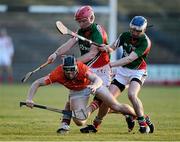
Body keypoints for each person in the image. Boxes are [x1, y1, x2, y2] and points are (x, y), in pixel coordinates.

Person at [81, 16, 155, 134]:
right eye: (132, 30)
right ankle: (96, 125)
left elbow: (129, 59)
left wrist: (110, 65)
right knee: (107, 99)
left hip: (137, 71)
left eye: (138, 31)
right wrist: (105, 48)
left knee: (132, 94)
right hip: (122, 72)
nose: (134, 33)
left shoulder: (146, 42)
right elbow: (112, 47)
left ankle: (142, 122)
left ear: (144, 30)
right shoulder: (124, 35)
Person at [25, 55, 137, 132]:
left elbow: (98, 79)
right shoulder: (58, 73)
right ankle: (96, 104)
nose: (69, 74)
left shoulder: (81, 67)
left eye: (72, 70)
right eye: (66, 71)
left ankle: (141, 117)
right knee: (80, 121)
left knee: (116, 106)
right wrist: (29, 99)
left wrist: (94, 86)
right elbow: (37, 83)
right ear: (63, 69)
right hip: (77, 91)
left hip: (93, 86)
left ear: (76, 67)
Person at [48, 5, 112, 133]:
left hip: (102, 70)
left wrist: (73, 63)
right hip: (87, 68)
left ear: (92, 18)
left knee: (110, 104)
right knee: (73, 93)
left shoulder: (98, 31)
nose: (81, 24)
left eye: (84, 20)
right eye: (79, 21)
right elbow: (69, 44)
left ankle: (132, 115)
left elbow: (92, 54)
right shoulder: (80, 32)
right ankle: (65, 124)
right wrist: (56, 53)